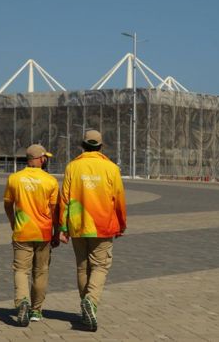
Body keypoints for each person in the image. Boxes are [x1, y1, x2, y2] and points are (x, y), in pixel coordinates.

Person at [58, 130, 126, 332]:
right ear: (101, 146)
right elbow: (119, 199)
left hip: (78, 224)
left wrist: (63, 227)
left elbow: (65, 199)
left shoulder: (72, 167)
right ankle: (91, 301)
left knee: (82, 267)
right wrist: (121, 223)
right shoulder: (111, 168)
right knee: (100, 266)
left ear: (82, 145)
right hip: (102, 225)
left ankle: (85, 308)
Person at [3, 144, 59, 326]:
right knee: (41, 272)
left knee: (21, 270)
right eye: (46, 158)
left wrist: (13, 222)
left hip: (22, 231)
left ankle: (22, 302)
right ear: (41, 159)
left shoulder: (14, 178)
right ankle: (36, 310)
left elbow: (7, 204)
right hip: (43, 233)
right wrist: (57, 233)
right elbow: (54, 210)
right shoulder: (50, 181)